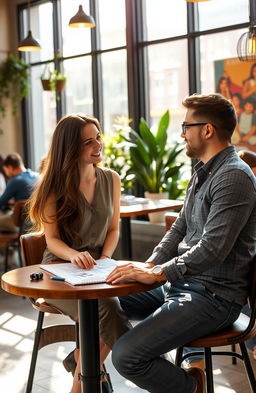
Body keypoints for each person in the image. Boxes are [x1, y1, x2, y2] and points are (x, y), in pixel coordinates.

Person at [106, 94, 256, 393]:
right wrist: (150, 265)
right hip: (184, 284)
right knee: (103, 305)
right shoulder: (203, 172)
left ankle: (190, 387)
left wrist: (159, 273)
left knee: (127, 357)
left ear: (207, 130)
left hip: (214, 297)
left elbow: (213, 248)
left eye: (186, 126)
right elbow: (180, 228)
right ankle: (90, 370)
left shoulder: (233, 177)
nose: (182, 133)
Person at [28, 114, 131, 393]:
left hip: (99, 265)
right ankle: (137, 361)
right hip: (59, 271)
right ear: (70, 147)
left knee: (120, 304)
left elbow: (113, 230)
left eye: (98, 137)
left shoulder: (112, 179)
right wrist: (74, 255)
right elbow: (52, 240)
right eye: (88, 142)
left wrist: (106, 257)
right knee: (109, 310)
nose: (98, 145)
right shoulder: (54, 185)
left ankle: (83, 368)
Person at [0, 153, 39, 232]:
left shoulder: (15, 181)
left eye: (5, 170)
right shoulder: (38, 176)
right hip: (37, 221)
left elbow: (1, 202)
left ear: (10, 167)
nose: (6, 173)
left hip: (21, 221)